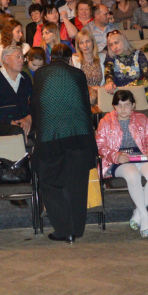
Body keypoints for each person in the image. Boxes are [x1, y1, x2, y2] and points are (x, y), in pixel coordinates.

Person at [32, 43, 97, 243]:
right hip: (79, 136)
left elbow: (36, 104)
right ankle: (76, 229)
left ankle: (63, 229)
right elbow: (85, 104)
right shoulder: (78, 74)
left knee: (51, 182)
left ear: (51, 58)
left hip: (51, 137)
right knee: (77, 184)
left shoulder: (41, 73)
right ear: (70, 59)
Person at [96, 89, 148, 238]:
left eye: (126, 105)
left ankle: (138, 212)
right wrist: (116, 155)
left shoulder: (143, 119)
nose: (123, 109)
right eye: (119, 105)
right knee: (132, 174)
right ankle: (145, 217)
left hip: (140, 156)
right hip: (117, 160)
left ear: (133, 105)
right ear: (114, 106)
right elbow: (100, 146)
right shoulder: (105, 121)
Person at [0, 45, 34, 137]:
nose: (21, 60)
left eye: (22, 57)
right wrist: (10, 122)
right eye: (18, 57)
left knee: (45, 129)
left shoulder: (25, 78)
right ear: (6, 59)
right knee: (17, 132)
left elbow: (34, 102)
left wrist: (29, 117)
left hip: (23, 122)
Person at [72, 29, 105, 101]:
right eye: (81, 43)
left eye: (87, 41)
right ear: (78, 46)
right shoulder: (73, 60)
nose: (85, 45)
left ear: (93, 42)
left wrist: (101, 88)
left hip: (101, 97)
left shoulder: (103, 58)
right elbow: (72, 84)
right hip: (81, 98)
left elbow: (109, 81)